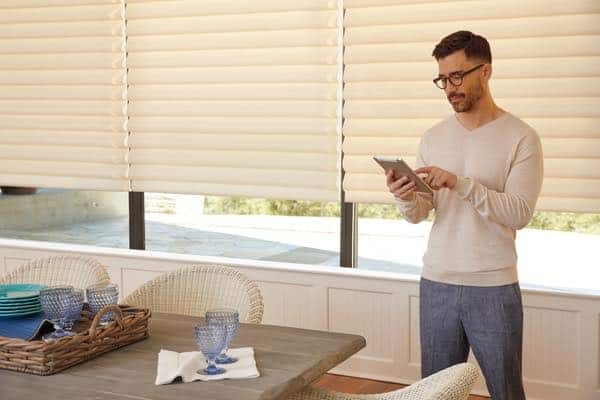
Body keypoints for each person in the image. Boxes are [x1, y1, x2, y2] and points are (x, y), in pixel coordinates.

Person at [386, 31, 543, 400]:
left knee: (505, 390)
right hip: (436, 281)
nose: (449, 88)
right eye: (443, 79)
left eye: (457, 76)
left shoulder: (521, 137)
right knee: (435, 392)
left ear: (485, 71)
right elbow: (419, 214)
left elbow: (519, 213)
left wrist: (461, 183)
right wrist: (404, 197)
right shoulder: (433, 137)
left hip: (493, 286)